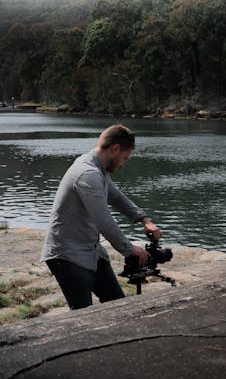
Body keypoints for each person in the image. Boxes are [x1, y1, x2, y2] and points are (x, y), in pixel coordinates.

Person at [41, 124, 162, 309]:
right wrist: (129, 249)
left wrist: (144, 220)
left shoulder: (99, 168)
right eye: (125, 158)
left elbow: (116, 197)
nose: (123, 164)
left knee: (118, 307)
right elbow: (103, 221)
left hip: (91, 251)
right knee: (84, 315)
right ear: (115, 149)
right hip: (67, 255)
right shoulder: (87, 174)